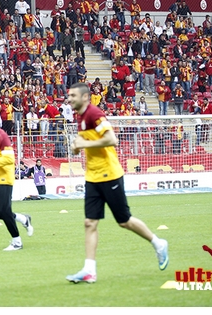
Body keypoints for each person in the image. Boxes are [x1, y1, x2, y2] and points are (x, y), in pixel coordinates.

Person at [66, 83, 168, 283]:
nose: (69, 99)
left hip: (109, 175)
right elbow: (85, 143)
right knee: (89, 223)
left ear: (85, 97)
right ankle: (89, 270)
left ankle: (158, 243)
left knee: (124, 221)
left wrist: (85, 143)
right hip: (92, 177)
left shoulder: (95, 114)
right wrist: (77, 146)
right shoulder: (80, 117)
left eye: (73, 96)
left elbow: (112, 139)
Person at [0, 107, 33, 250]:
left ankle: (17, 242)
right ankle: (23, 218)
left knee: (4, 210)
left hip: (4, 178)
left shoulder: (1, 136)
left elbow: (10, 160)